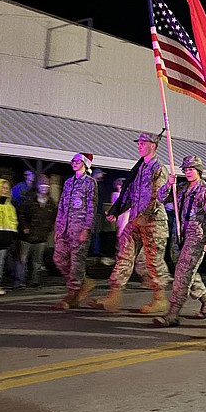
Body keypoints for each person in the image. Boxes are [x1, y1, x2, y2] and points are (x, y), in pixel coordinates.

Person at [89, 132, 171, 313]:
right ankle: (114, 296)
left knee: (153, 260)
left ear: (153, 146)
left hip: (153, 221)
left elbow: (158, 198)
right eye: (139, 143)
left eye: (143, 143)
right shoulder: (139, 168)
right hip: (135, 219)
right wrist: (116, 211)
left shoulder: (159, 169)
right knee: (124, 255)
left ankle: (160, 298)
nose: (140, 146)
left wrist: (145, 215)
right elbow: (130, 194)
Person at [152, 156, 206, 327]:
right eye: (186, 170)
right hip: (180, 235)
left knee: (182, 274)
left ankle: (173, 312)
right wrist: (168, 184)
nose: (188, 172)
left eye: (191, 169)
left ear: (199, 170)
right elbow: (161, 198)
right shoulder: (180, 188)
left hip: (196, 237)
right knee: (187, 271)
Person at [53, 154, 98, 308]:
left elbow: (91, 207)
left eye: (77, 161)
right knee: (58, 258)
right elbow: (61, 206)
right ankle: (82, 282)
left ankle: (72, 294)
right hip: (65, 228)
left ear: (85, 164)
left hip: (79, 229)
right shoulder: (68, 183)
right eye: (73, 161)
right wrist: (58, 227)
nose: (74, 163)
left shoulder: (90, 183)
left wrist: (86, 228)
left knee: (76, 262)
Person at [16, 174, 57, 288]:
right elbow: (21, 214)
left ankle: (35, 280)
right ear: (38, 186)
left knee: (37, 261)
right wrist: (24, 227)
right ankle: (20, 281)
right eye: (42, 185)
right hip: (27, 236)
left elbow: (54, 216)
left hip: (41, 236)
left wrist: (49, 229)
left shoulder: (51, 202)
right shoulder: (29, 199)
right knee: (22, 259)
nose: (45, 187)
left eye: (47, 185)